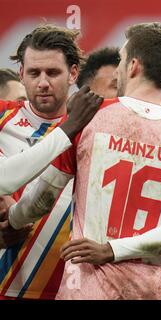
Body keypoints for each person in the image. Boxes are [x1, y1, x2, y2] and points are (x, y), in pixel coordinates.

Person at [7, 22, 161, 300]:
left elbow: (40, 202)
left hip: (85, 291)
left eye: (121, 60)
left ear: (132, 66)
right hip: (148, 292)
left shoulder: (89, 117)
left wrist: (13, 220)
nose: (118, 68)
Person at [0, 24, 102, 299]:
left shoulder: (99, 123)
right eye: (34, 73)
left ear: (73, 73)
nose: (43, 82)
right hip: (7, 282)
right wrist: (68, 128)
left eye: (53, 72)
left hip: (75, 287)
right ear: (21, 73)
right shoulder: (1, 119)